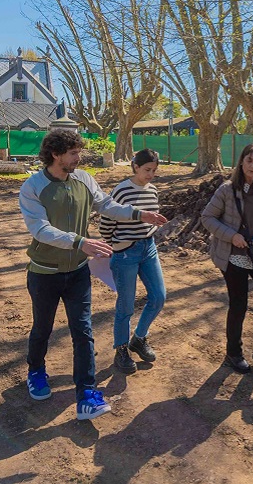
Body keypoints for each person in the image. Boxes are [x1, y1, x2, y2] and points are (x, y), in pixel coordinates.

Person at [18, 130, 167, 420]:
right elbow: (40, 229)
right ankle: (36, 371)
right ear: (56, 154)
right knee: (42, 328)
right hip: (45, 273)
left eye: (78, 152)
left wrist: (139, 214)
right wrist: (80, 242)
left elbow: (107, 205)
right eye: (73, 153)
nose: (79, 157)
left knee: (83, 330)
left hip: (77, 272)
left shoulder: (84, 179)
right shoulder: (33, 186)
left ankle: (87, 393)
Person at [201, 143, 253, 374]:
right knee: (239, 304)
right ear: (241, 161)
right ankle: (234, 354)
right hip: (234, 254)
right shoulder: (227, 189)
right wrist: (232, 236)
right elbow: (207, 217)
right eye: (249, 160)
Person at [98, 148, 166, 374]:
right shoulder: (121, 190)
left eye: (154, 171)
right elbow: (106, 224)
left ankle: (139, 338)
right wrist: (116, 245)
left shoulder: (153, 190)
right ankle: (121, 349)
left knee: (158, 297)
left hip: (149, 248)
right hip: (125, 253)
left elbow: (151, 217)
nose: (150, 175)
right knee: (126, 306)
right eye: (147, 170)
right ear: (135, 166)